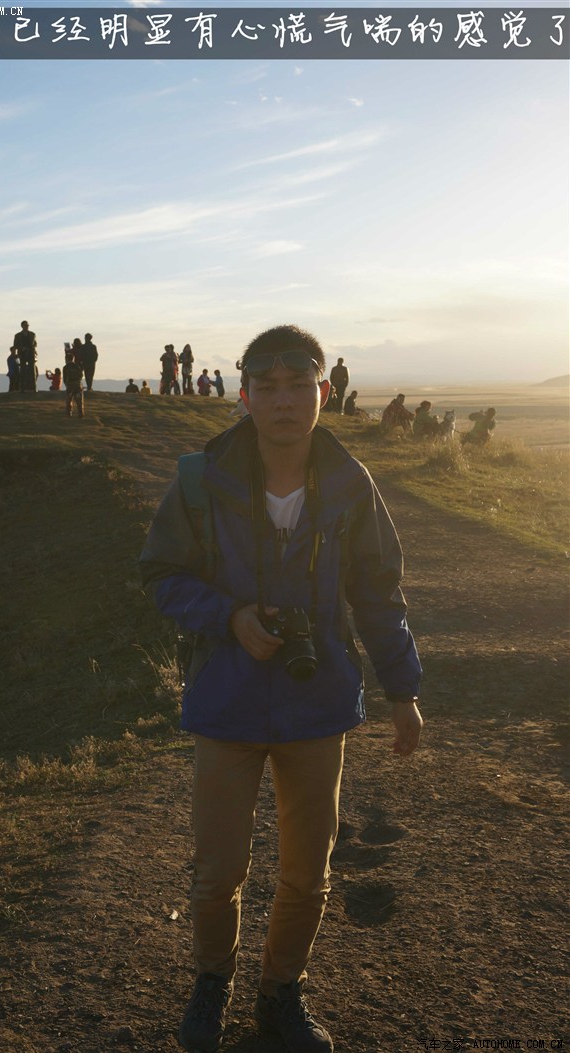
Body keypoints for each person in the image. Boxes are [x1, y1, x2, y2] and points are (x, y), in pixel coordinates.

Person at [140, 323, 423, 1053]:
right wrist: (228, 616)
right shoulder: (201, 480)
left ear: (324, 390)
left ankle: (280, 993)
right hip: (226, 700)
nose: (285, 401)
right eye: (267, 387)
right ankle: (213, 981)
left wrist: (402, 689)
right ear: (244, 396)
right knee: (216, 871)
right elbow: (162, 574)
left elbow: (379, 594)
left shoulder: (351, 486)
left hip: (316, 703)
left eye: (299, 385)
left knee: (308, 872)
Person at [14, 320, 37, 393]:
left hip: (31, 354)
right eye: (25, 325)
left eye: (27, 325)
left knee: (32, 371)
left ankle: (34, 388)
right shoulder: (17, 336)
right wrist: (22, 348)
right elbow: (15, 345)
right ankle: (22, 388)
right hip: (22, 354)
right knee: (22, 371)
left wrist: (33, 350)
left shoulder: (32, 334)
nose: (27, 327)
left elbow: (35, 344)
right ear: (22, 326)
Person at [62, 352, 84, 418]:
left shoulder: (65, 367)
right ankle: (80, 413)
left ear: (66, 359)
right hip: (78, 384)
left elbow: (65, 378)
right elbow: (81, 375)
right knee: (79, 400)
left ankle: (69, 413)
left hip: (70, 385)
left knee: (69, 400)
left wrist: (66, 384)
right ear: (73, 359)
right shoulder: (77, 366)